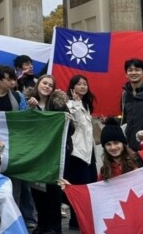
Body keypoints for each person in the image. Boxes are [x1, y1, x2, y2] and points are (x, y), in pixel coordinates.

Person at [24, 75, 68, 234]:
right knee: (37, 193)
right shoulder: (26, 102)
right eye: (44, 83)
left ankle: (54, 229)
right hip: (36, 156)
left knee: (53, 194)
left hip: (54, 157)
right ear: (38, 84)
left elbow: (71, 130)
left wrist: (65, 120)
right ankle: (41, 226)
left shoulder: (59, 105)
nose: (47, 86)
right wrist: (32, 110)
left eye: (50, 85)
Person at [63, 75, 96, 230]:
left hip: (89, 153)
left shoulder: (86, 104)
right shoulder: (70, 104)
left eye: (85, 84)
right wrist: (75, 104)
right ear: (72, 87)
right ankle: (75, 222)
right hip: (77, 153)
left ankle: (83, 220)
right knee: (79, 188)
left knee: (90, 186)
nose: (83, 86)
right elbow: (74, 124)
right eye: (79, 84)